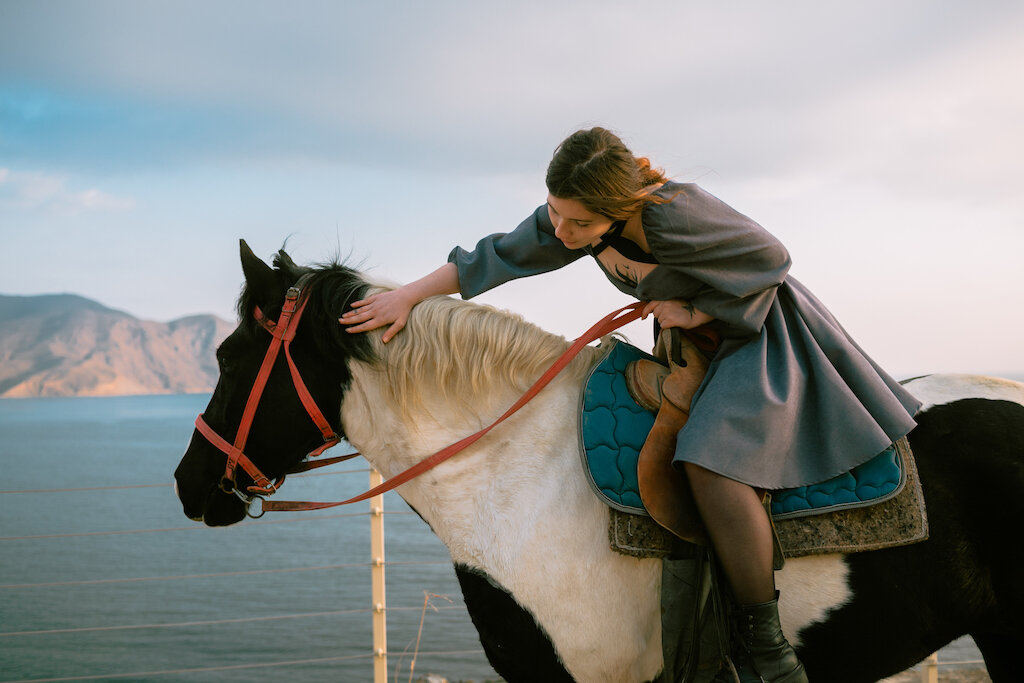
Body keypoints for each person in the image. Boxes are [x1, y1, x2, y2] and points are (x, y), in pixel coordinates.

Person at [341, 127, 920, 681]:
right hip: (696, 340)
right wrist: (408, 296)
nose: (563, 231)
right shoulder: (573, 218)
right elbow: (497, 256)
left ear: (619, 206)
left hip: (759, 336)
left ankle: (765, 645)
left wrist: (695, 310)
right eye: (556, 212)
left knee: (710, 461)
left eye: (580, 222)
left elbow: (770, 259)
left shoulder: (674, 213)